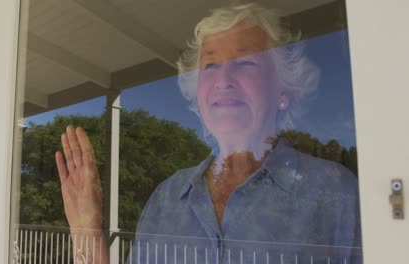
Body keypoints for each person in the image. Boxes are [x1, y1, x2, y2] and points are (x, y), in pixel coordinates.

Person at [55, 2, 362, 263]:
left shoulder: (334, 194)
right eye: (211, 66)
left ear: (283, 89)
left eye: (245, 63)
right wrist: (87, 232)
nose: (224, 79)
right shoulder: (166, 198)